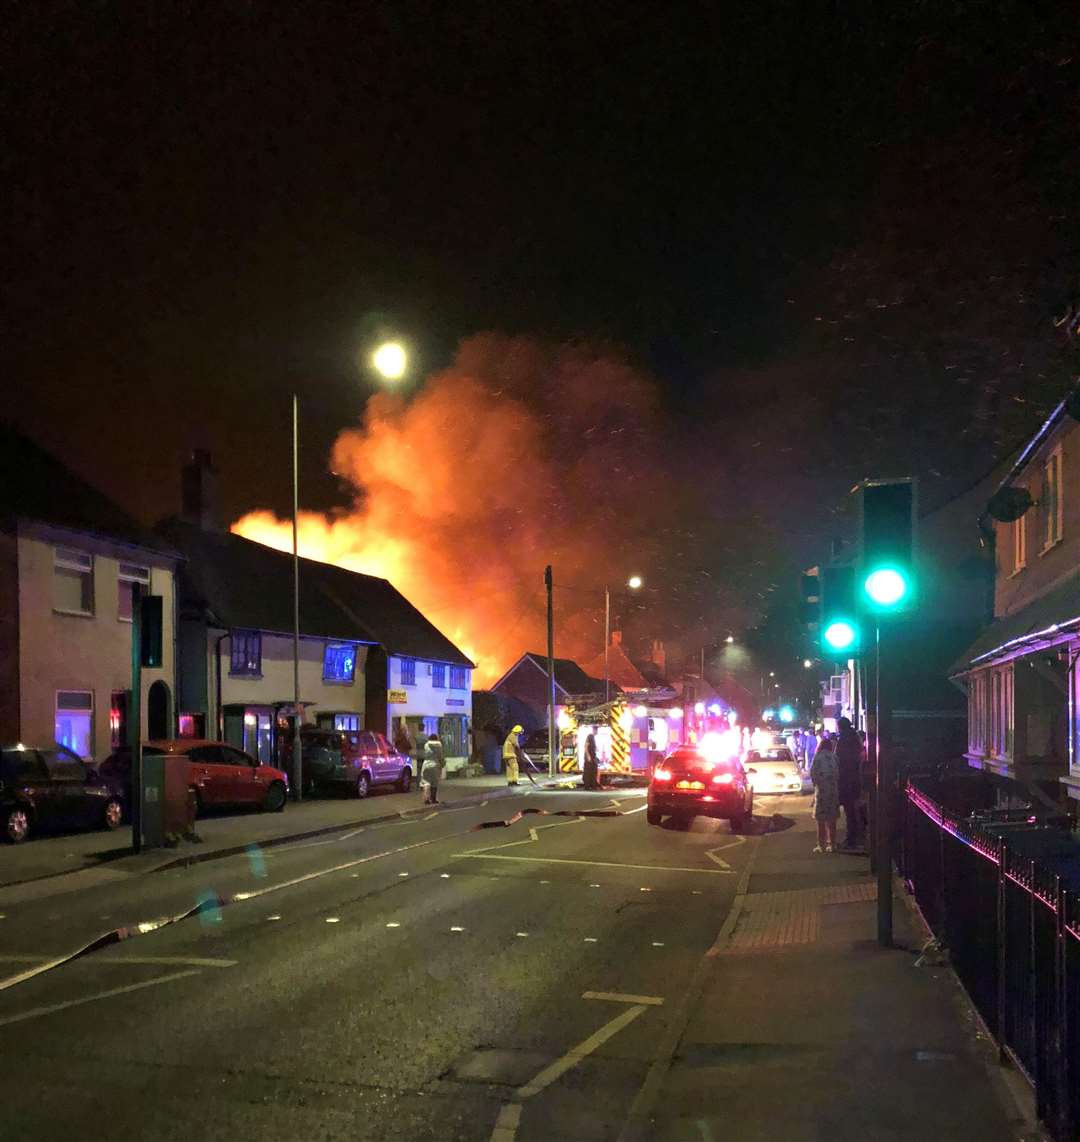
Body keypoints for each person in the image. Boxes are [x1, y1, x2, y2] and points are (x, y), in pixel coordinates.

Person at [835, 716, 864, 849]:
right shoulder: (855, 737)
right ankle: (856, 837)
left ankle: (852, 839)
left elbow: (840, 759)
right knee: (855, 809)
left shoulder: (844, 740)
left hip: (847, 779)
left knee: (850, 810)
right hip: (855, 778)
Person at [810, 733, 839, 853]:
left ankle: (821, 845)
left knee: (820, 820)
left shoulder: (817, 757)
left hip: (821, 791)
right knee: (832, 820)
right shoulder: (834, 757)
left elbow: (813, 774)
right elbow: (838, 773)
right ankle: (832, 844)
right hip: (833, 790)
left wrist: (816, 785)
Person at [420, 733, 445, 804]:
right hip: (435, 765)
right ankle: (433, 799)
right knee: (434, 783)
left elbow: (424, 754)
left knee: (426, 782)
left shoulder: (426, 745)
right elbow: (440, 756)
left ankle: (426, 798)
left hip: (426, 764)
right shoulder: (439, 745)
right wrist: (442, 763)